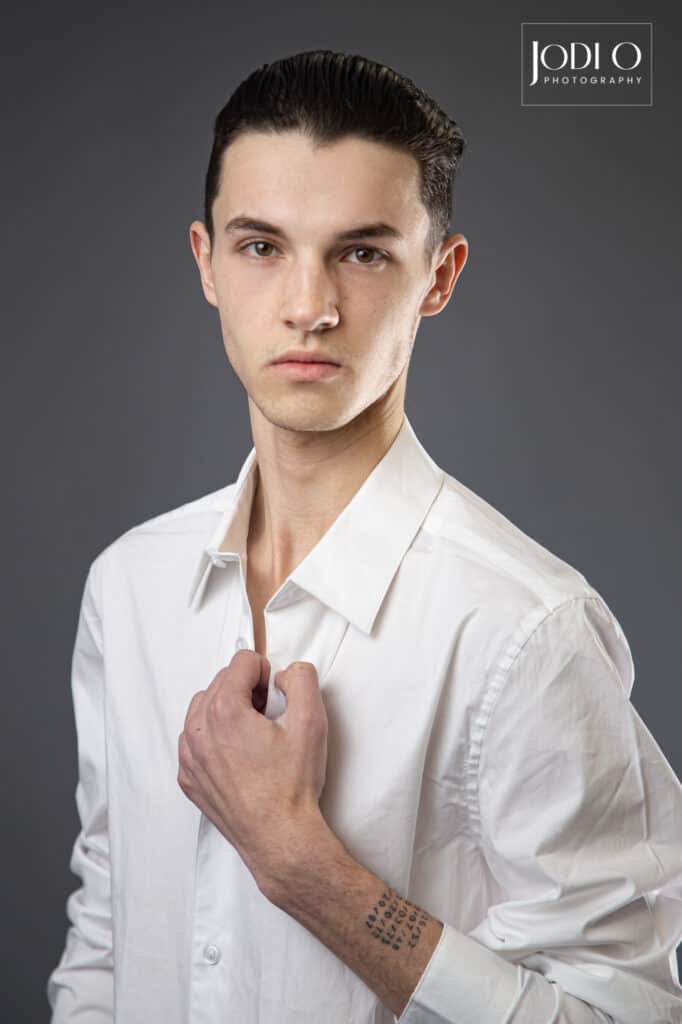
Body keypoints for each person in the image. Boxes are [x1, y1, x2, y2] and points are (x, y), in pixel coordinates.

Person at [47, 49, 682, 1024]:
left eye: (363, 250)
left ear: (438, 274)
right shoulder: (127, 585)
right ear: (204, 262)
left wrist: (305, 867)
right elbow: (105, 939)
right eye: (261, 246)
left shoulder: (523, 630)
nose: (310, 305)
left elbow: (621, 1015)